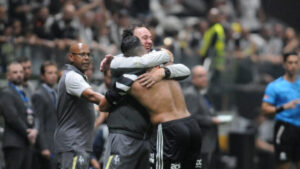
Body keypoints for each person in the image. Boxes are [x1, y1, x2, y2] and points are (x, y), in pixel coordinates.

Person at [102, 34, 201, 169]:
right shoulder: (164, 66)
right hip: (191, 124)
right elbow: (185, 70)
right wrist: (162, 72)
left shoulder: (128, 78)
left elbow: (104, 105)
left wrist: (108, 69)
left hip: (169, 128)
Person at [54, 42, 105, 169]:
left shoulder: (78, 76)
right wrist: (116, 100)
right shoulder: (72, 76)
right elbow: (92, 96)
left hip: (78, 143)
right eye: (82, 54)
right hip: (73, 143)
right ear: (71, 57)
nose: (87, 58)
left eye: (88, 54)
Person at [261, 51, 300, 169]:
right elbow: (265, 109)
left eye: (296, 62)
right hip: (284, 129)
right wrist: (284, 107)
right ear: (284, 64)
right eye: (290, 62)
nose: (293, 65)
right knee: (284, 165)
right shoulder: (275, 86)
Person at [0, 62, 38, 169]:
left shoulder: (24, 92)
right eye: (15, 72)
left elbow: (32, 113)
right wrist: (28, 133)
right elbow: (12, 117)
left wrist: (34, 130)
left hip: (26, 143)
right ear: (8, 76)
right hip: (14, 143)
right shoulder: (6, 92)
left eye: (21, 72)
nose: (19, 75)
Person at [184, 65, 220, 169]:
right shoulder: (191, 94)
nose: (204, 79)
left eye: (205, 75)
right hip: (199, 143)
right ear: (193, 78)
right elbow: (191, 118)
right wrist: (211, 120)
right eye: (200, 76)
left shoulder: (201, 93)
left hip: (206, 143)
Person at [31, 61, 58, 169]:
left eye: (55, 73)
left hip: (57, 144)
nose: (53, 76)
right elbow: (39, 122)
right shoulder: (39, 95)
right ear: (42, 76)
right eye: (49, 73)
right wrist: (43, 147)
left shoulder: (56, 92)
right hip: (47, 145)